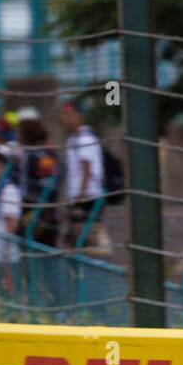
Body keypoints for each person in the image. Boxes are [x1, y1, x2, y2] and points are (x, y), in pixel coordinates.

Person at [59, 101, 111, 253]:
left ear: (80, 117)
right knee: (75, 237)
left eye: (70, 114)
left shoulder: (85, 139)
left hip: (88, 195)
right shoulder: (71, 140)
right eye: (64, 115)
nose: (66, 118)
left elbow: (86, 169)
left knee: (90, 232)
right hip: (77, 195)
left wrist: (81, 194)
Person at [14, 107, 60, 246]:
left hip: (38, 211)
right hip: (35, 208)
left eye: (19, 132)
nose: (17, 136)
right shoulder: (30, 153)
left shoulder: (40, 155)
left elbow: (49, 184)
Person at [0, 145, 24, 298]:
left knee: (7, 294)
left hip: (3, 257)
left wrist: (4, 260)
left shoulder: (8, 190)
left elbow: (11, 225)